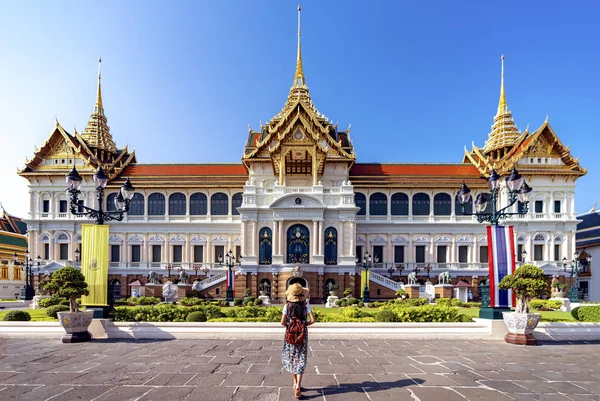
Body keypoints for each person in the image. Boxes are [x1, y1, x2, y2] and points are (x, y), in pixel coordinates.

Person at [281, 283, 315, 399]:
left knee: (291, 358)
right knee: (301, 358)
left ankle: (295, 383)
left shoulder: (287, 305)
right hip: (302, 334)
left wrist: (290, 325)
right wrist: (304, 325)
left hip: (290, 333)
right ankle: (298, 386)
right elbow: (313, 320)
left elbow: (282, 322)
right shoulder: (306, 305)